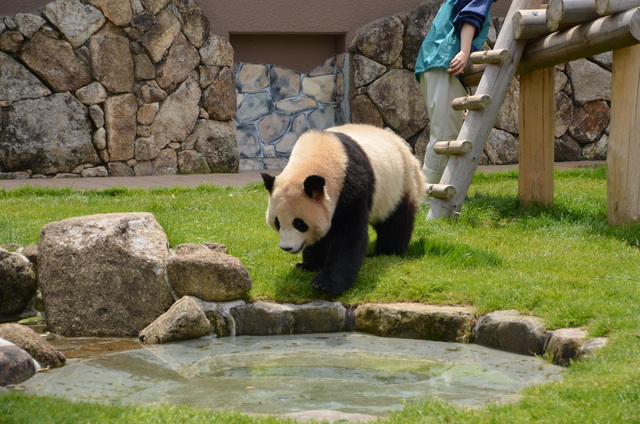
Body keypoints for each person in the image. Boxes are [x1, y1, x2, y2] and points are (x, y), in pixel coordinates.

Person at [415, 0, 495, 185]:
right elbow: (470, 18)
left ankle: (433, 187)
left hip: (433, 63)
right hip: (444, 63)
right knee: (445, 134)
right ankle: (428, 192)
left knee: (445, 128)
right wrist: (464, 52)